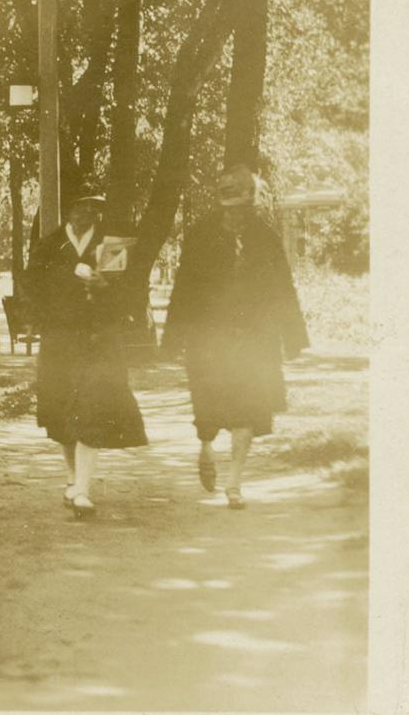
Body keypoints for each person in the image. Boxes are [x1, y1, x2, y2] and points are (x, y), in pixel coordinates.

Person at [162, 165, 308, 509]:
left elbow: (282, 288)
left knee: (248, 411)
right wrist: (173, 338)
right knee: (209, 409)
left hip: (255, 340)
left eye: (243, 208)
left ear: (252, 204)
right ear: (221, 204)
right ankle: (207, 449)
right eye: (230, 208)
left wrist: (293, 336)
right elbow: (183, 287)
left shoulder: (265, 237)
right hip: (210, 339)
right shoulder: (201, 235)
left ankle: (234, 484)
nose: (237, 215)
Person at [25, 190, 148, 518]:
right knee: (63, 412)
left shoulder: (111, 248)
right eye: (79, 207)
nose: (85, 214)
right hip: (60, 341)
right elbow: (32, 289)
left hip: (98, 339)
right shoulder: (50, 246)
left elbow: (129, 292)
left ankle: (82, 489)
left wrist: (105, 289)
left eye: (92, 208)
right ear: (68, 211)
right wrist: (39, 322)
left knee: (92, 409)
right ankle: (72, 477)